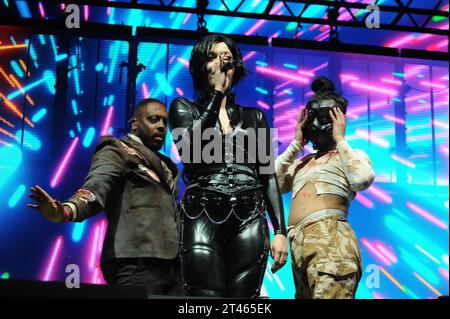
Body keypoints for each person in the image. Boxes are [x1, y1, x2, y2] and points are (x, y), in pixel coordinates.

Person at [168, 34, 288, 298]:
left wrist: (280, 231)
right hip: (202, 212)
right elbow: (190, 151)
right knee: (205, 299)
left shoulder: (255, 116)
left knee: (244, 301)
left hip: (249, 215)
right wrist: (216, 95)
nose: (221, 65)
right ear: (201, 67)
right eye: (212, 57)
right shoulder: (182, 107)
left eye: (226, 59)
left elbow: (267, 176)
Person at [26, 98, 183, 296]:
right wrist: (65, 211)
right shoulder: (117, 148)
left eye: (164, 122)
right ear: (134, 124)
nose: (161, 126)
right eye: (154, 119)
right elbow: (96, 186)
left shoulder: (167, 166)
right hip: (136, 260)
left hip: (172, 266)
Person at [275, 76, 375, 299]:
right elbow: (274, 183)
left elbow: (362, 178)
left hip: (331, 241)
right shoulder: (302, 162)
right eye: (312, 120)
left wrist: (340, 139)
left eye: (324, 118)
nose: (317, 126)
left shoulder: (349, 156)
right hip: (299, 244)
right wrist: (295, 144)